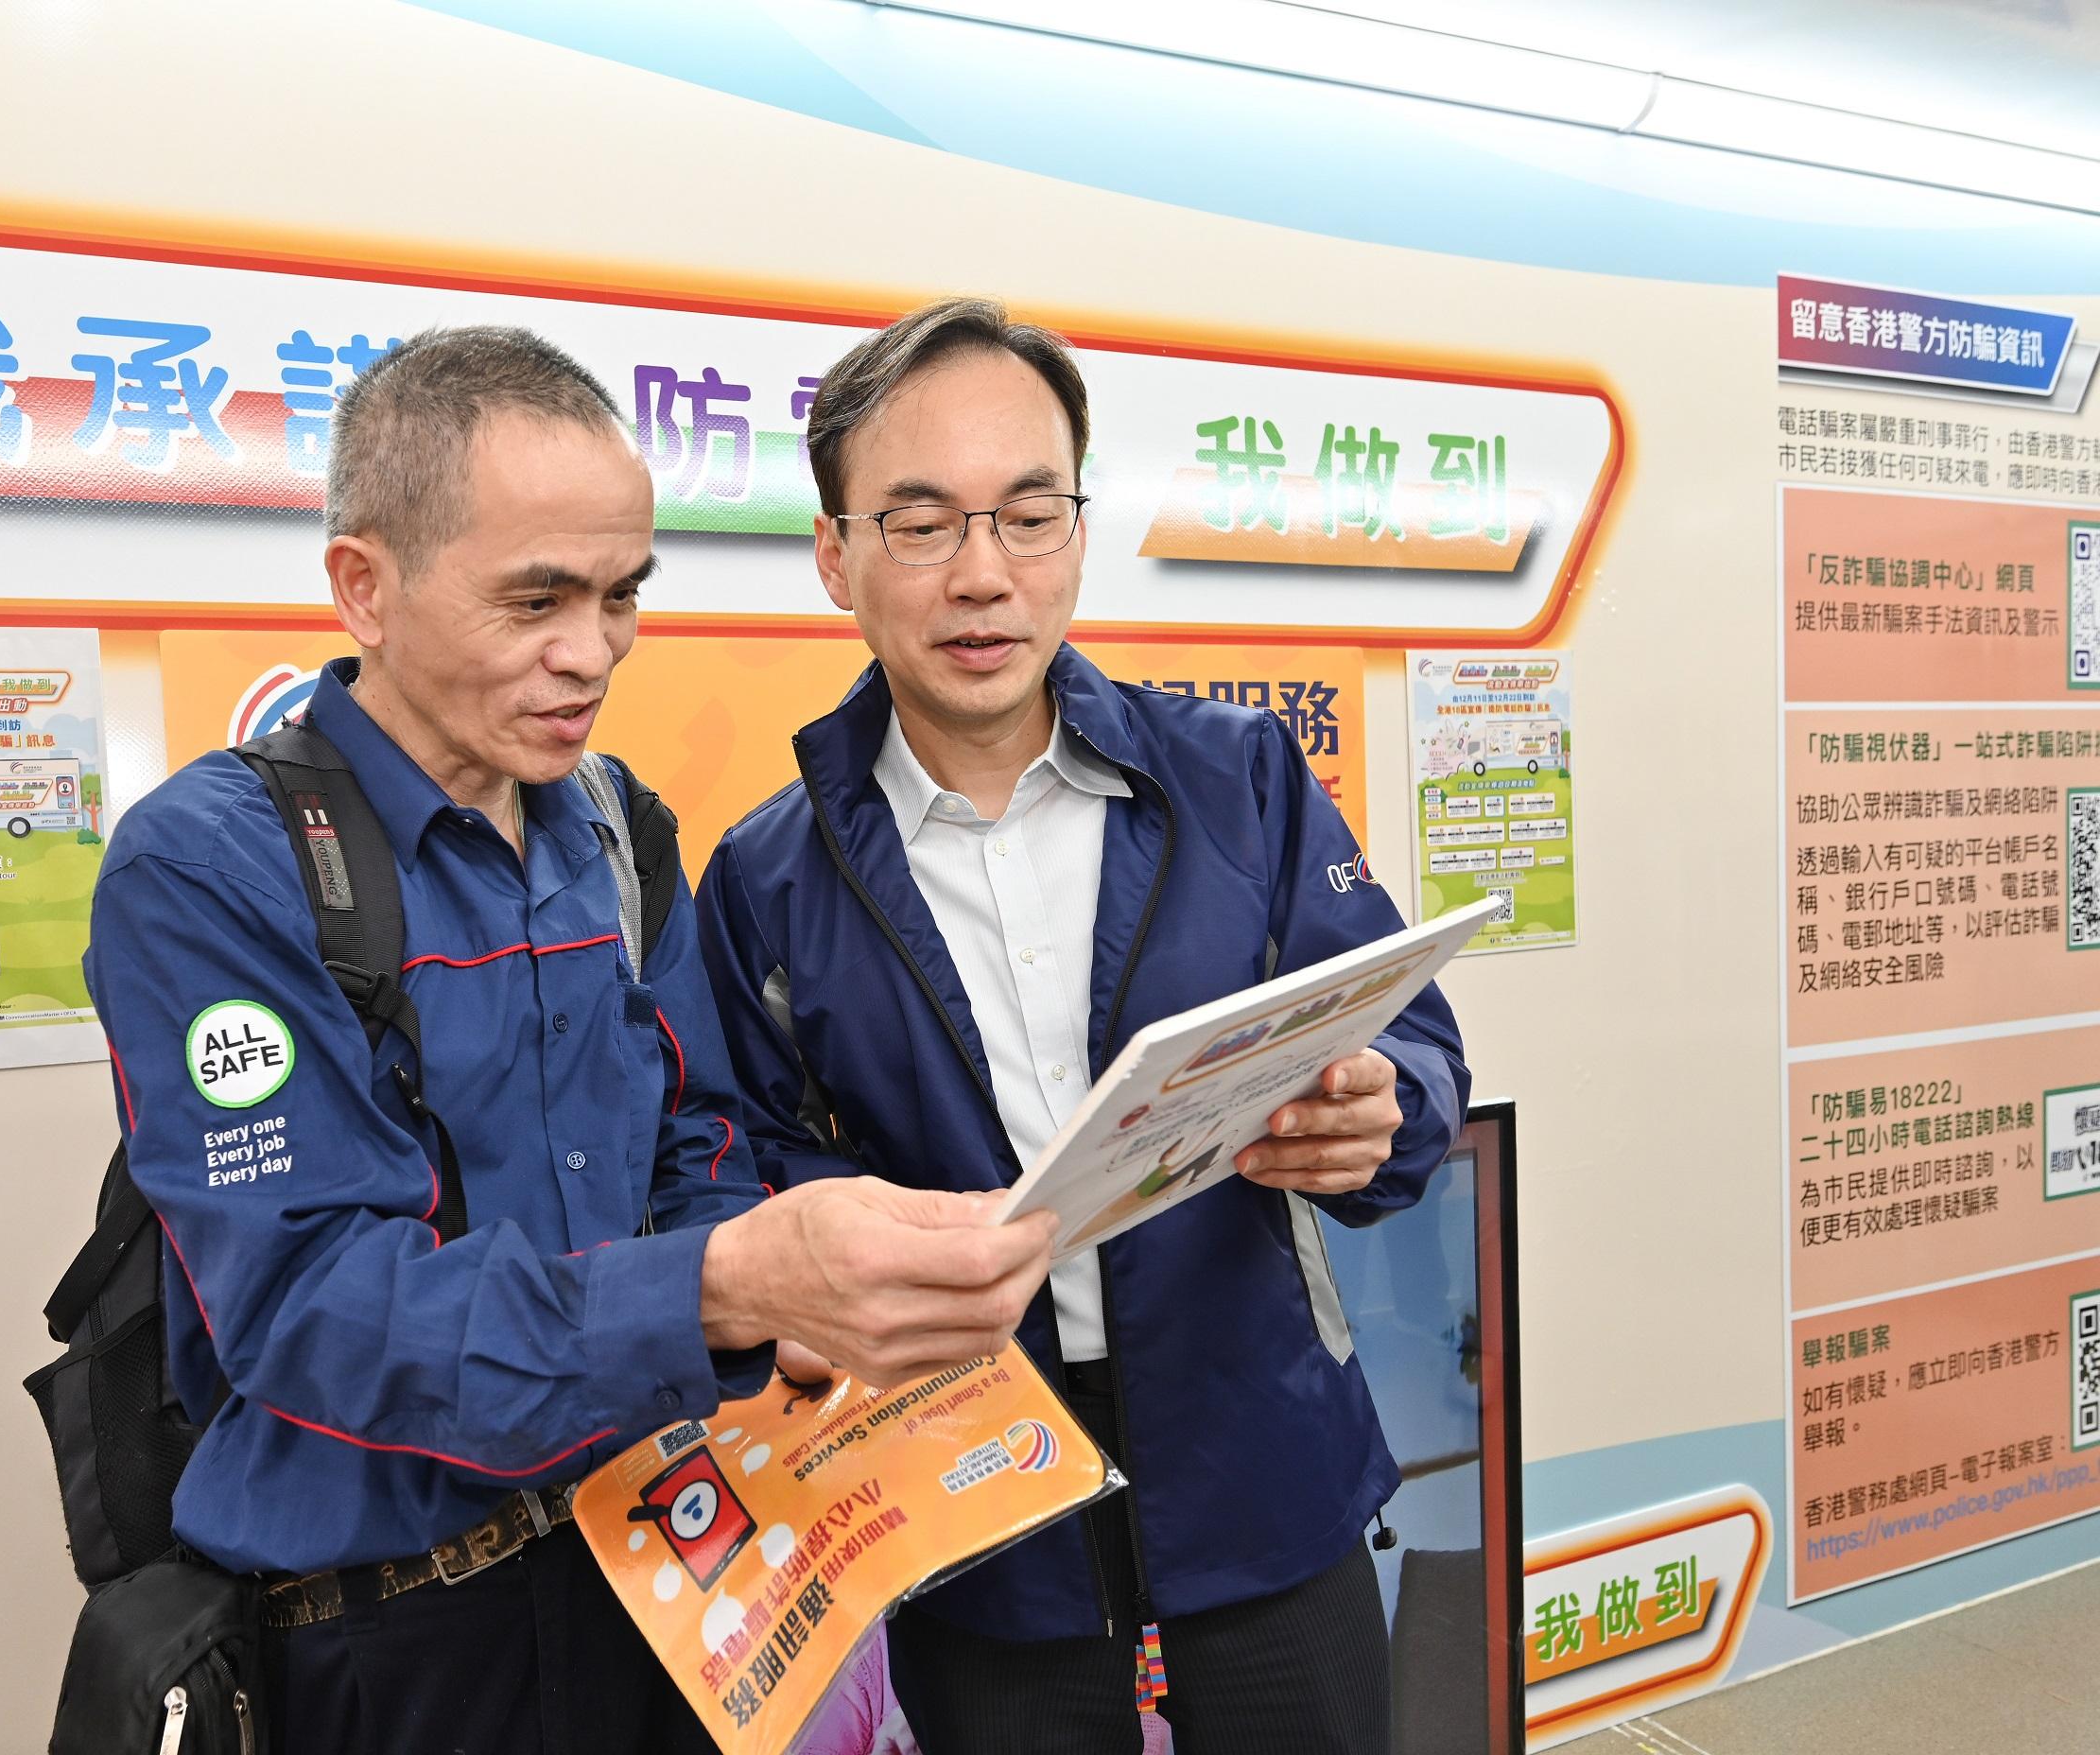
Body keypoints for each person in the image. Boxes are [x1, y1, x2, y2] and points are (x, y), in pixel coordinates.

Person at [84, 324, 1058, 1753]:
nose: (588, 653)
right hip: (390, 1643)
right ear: (366, 584)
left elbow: (699, 1139)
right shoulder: (214, 868)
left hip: (664, 1585)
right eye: (535, 599)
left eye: (621, 596)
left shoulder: (617, 830)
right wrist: (721, 1288)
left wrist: (798, 1282)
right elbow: (312, 1308)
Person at [696, 299, 1472, 1754]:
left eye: (1027, 515)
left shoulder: (1239, 779)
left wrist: (1386, 1106)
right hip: (972, 1511)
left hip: (1263, 1469)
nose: (983, 574)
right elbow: (742, 1170)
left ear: (1078, 530)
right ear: (834, 555)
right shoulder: (762, 876)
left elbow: (1414, 1036)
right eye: (920, 524)